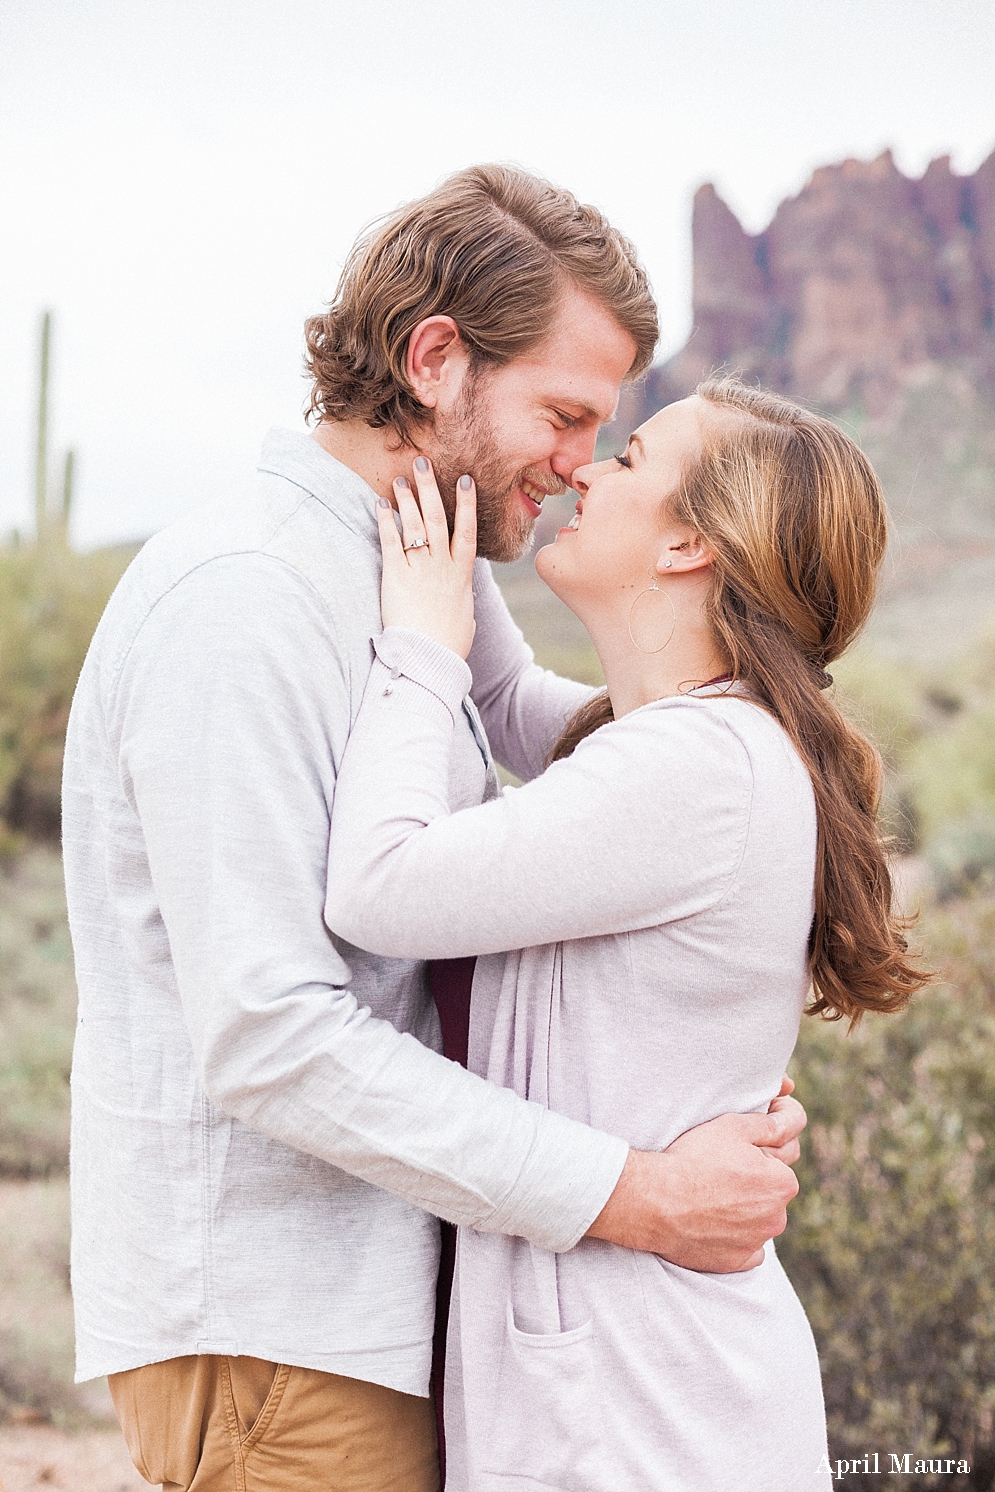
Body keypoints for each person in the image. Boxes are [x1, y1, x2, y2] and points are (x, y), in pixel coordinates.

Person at [63, 168, 806, 1492]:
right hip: (282, 1337)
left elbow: (559, 732)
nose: (581, 464)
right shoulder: (249, 604)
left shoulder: (417, 566)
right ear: (433, 360)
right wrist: (640, 1195)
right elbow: (270, 1038)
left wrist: (742, 756)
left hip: (381, 1319)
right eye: (564, 414)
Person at [324, 379, 929, 1491]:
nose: (586, 467)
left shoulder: (696, 768)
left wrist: (413, 649)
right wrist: (445, 457)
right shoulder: (688, 740)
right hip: (633, 1388)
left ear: (689, 541)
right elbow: (503, 692)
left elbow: (378, 883)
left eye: (630, 457)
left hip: (637, 1414)